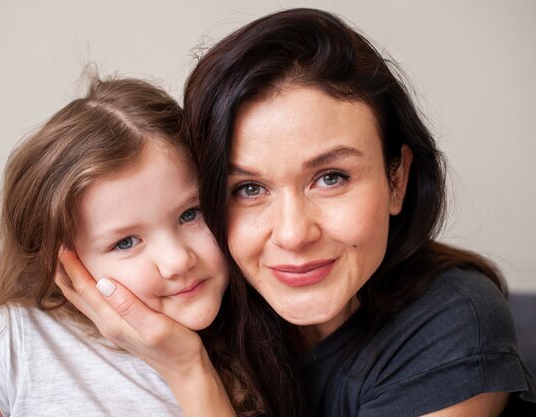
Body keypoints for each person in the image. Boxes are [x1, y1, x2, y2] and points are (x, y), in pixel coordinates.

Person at [58, 7, 536, 417]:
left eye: (331, 178)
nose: (292, 234)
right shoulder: (195, 296)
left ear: (397, 179)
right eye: (248, 188)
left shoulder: (453, 322)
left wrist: (188, 373)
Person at [0, 76, 300, 417]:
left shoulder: (266, 335)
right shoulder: (11, 345)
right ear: (63, 263)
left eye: (190, 214)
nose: (177, 260)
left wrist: (189, 368)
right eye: (126, 242)